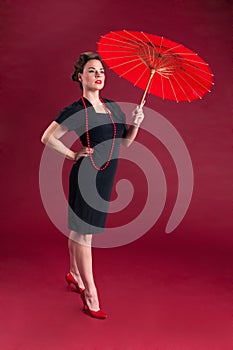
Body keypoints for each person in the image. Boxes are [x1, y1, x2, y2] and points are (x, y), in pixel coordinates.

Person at [41, 52, 144, 319]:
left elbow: (124, 144)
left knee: (80, 229)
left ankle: (75, 274)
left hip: (106, 176)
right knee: (84, 233)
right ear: (80, 77)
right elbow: (47, 137)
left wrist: (136, 123)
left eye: (101, 71)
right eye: (92, 71)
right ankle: (91, 295)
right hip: (86, 175)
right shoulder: (76, 110)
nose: (98, 75)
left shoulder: (113, 107)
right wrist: (71, 154)